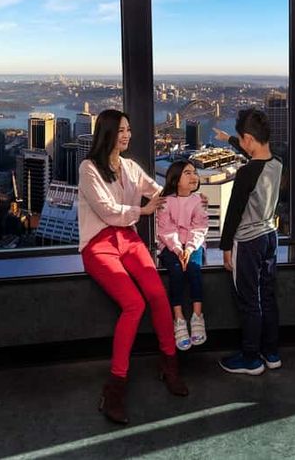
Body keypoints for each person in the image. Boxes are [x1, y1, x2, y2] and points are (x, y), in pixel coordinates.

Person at [78, 109, 188, 425]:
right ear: (107, 133)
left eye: (128, 129)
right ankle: (114, 387)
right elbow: (107, 210)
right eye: (121, 130)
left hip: (127, 238)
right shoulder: (88, 169)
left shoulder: (129, 166)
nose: (127, 135)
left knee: (157, 295)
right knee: (134, 304)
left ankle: (169, 365)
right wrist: (143, 210)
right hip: (98, 244)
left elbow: (157, 192)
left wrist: (185, 196)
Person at [217, 109, 283, 375]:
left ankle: (250, 358)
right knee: (267, 296)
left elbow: (233, 213)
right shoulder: (277, 163)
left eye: (241, 139)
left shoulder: (246, 173)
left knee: (249, 301)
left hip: (248, 242)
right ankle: (271, 353)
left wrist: (225, 248)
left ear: (249, 139)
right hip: (270, 237)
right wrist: (229, 140)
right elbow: (255, 157)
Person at [156, 159, 209, 351]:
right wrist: (179, 249)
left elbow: (200, 227)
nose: (194, 176)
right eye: (187, 173)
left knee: (194, 269)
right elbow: (166, 230)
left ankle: (197, 315)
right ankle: (178, 317)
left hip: (193, 245)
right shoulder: (165, 202)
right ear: (175, 179)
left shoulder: (199, 201)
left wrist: (189, 248)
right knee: (176, 271)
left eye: (195, 172)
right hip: (170, 246)